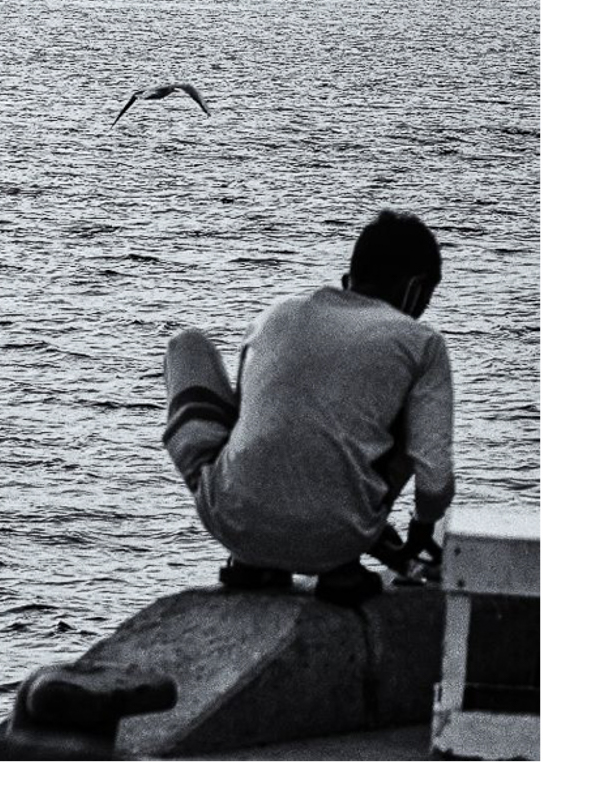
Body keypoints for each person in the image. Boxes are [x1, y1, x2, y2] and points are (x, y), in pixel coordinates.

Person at [161, 210, 452, 604]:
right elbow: (433, 471)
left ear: (349, 281)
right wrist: (421, 529)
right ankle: (340, 564)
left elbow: (255, 428)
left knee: (186, 344)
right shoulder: (422, 343)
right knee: (405, 417)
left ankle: (254, 562)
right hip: (340, 538)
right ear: (415, 289)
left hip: (233, 522)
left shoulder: (274, 315)